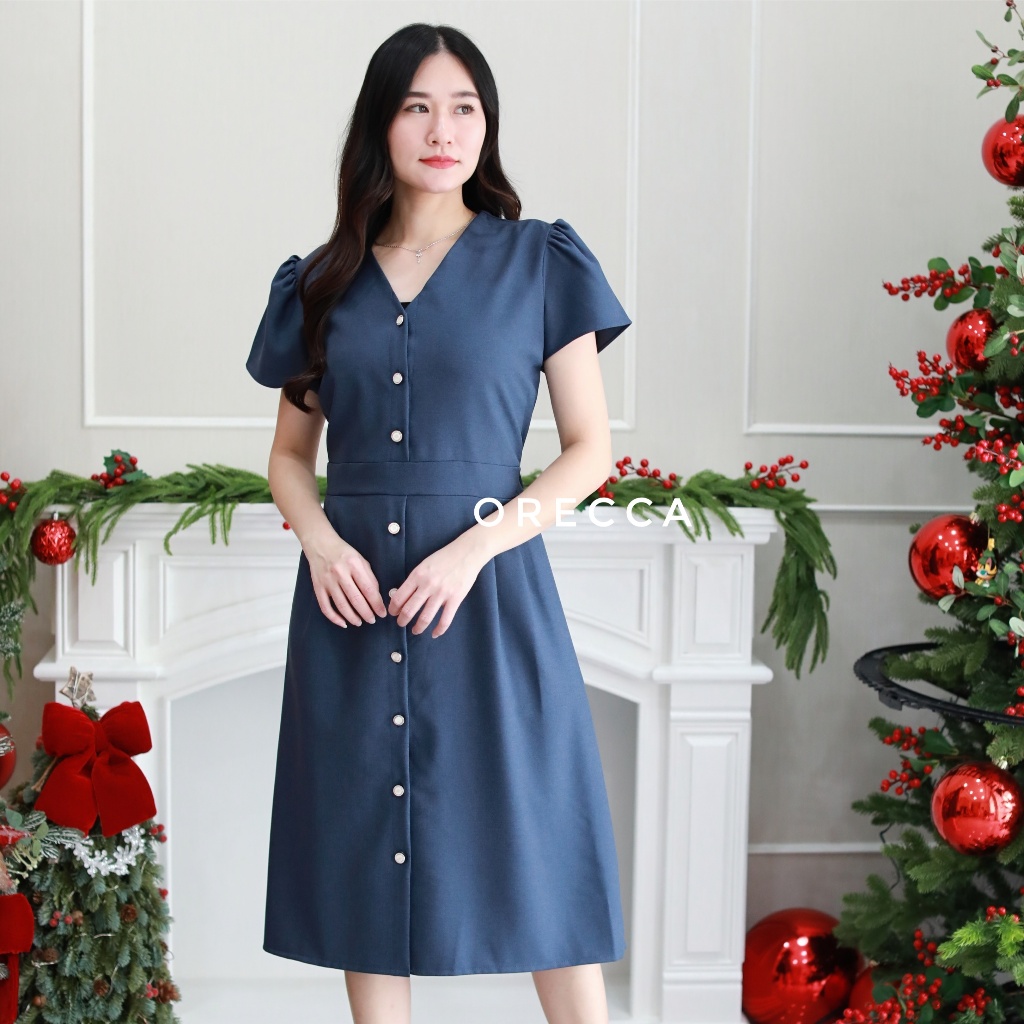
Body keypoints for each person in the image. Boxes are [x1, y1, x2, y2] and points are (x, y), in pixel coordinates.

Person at [245, 21, 632, 1024]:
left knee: (538, 840)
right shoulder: (321, 282)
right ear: (382, 124)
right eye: (418, 107)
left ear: (486, 125)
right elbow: (289, 459)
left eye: (464, 108)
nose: (443, 129)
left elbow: (589, 449)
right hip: (352, 599)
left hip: (490, 594)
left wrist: (474, 549)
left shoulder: (540, 262)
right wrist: (320, 541)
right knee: (363, 851)